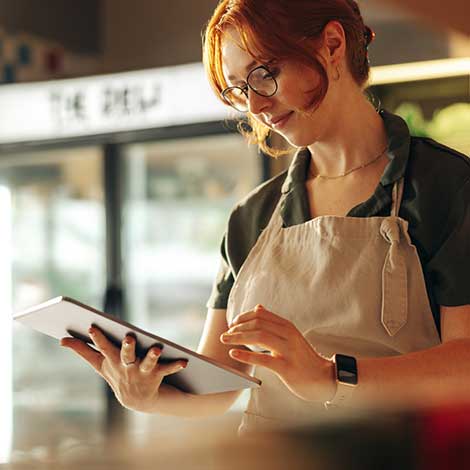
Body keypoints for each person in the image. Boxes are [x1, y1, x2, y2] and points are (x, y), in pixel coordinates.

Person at [61, 0, 470, 435]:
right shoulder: (251, 217)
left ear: (332, 45)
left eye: (265, 74)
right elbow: (221, 382)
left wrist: (332, 378)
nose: (255, 105)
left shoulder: (446, 187)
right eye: (239, 89)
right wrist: (150, 394)